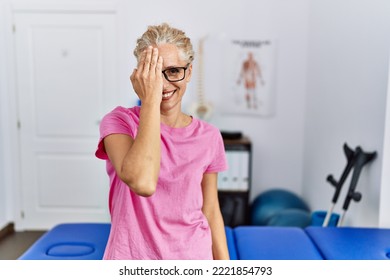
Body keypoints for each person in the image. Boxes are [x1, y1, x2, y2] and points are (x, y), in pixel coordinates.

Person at [95, 23, 230, 260]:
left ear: (188, 72)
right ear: (140, 76)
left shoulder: (209, 136)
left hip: (193, 257)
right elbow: (143, 183)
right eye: (154, 73)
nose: (164, 84)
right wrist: (149, 100)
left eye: (174, 71)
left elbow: (210, 209)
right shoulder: (118, 123)